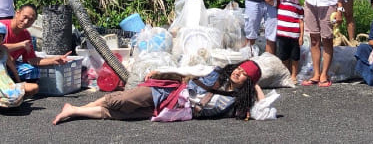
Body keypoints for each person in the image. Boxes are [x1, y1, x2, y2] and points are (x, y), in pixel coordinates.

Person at [52, 61, 264, 124]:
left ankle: (74, 110)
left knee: (119, 114)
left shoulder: (236, 103)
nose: (238, 72)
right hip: (168, 92)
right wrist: (162, 72)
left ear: (248, 81)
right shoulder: (216, 73)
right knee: (119, 101)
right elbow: (187, 71)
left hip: (175, 111)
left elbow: (264, 111)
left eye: (245, 74)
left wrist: (256, 87)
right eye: (239, 68)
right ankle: (77, 107)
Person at [0, 4, 71, 82]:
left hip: (10, 66)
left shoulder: (26, 35)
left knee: (34, 71)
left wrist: (53, 60)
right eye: (25, 17)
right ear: (17, 13)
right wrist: (20, 45)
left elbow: (31, 60)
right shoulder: (0, 26)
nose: (26, 22)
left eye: (31, 20)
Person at [0, 22, 38, 108]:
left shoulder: (4, 51)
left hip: (8, 83)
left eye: (0, 37)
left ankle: (14, 100)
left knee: (34, 87)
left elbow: (13, 69)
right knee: (6, 101)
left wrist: (19, 82)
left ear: (3, 38)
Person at [274, 0, 304, 84]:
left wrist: (301, 36)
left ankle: (294, 75)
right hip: (282, 35)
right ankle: (286, 75)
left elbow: (301, 22)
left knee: (295, 57)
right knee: (284, 56)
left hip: (295, 36)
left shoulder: (299, 7)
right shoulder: (280, 2)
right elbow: (267, 0)